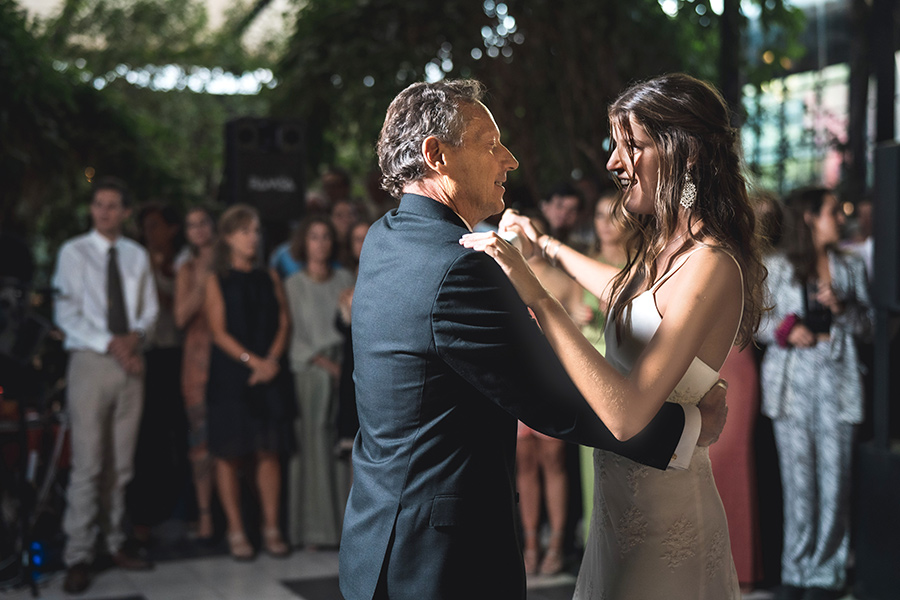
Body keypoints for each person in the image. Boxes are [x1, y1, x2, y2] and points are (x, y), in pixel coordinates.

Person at [339, 78, 728, 600]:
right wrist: (684, 427)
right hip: (439, 559)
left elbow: (630, 295)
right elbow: (552, 401)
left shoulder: (386, 236)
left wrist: (546, 248)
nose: (511, 159)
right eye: (490, 144)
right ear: (437, 156)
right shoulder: (460, 266)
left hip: (378, 532)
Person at [462, 73, 767, 599]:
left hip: (667, 525)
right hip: (616, 512)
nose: (612, 162)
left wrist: (536, 291)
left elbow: (625, 416)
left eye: (632, 145)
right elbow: (622, 296)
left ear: (686, 154)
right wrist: (547, 246)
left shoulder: (711, 264)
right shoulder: (663, 250)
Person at [757, 187, 871, 600]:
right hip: (791, 382)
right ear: (809, 217)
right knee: (798, 481)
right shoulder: (775, 265)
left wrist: (844, 309)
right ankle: (796, 571)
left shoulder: (851, 266)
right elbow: (754, 322)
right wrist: (786, 331)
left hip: (838, 377)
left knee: (835, 478)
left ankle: (826, 573)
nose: (840, 219)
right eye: (832, 212)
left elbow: (871, 328)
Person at [52, 177, 159, 594]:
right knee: (88, 464)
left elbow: (149, 312)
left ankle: (114, 542)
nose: (104, 211)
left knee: (121, 464)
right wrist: (112, 344)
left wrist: (134, 340)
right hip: (91, 362)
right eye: (98, 204)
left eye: (113, 205)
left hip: (131, 363)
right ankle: (78, 553)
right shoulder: (73, 252)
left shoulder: (136, 255)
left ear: (126, 212)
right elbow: (66, 315)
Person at [204, 204, 293, 561]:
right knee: (229, 454)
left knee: (268, 451)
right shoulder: (216, 279)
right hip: (231, 375)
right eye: (244, 231)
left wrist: (270, 361)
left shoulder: (270, 275)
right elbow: (218, 332)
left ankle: (271, 528)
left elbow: (284, 322)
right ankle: (236, 530)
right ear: (227, 237)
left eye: (255, 230)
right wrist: (252, 362)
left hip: (269, 372)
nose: (252, 237)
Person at [283, 215, 355, 549]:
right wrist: (327, 365)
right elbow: (295, 335)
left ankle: (344, 530)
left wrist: (343, 368)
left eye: (326, 236)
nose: (321, 243)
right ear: (304, 242)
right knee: (312, 450)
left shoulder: (345, 278)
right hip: (310, 375)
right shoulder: (293, 284)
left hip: (345, 372)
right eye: (314, 236)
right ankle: (314, 531)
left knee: (343, 453)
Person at [128, 202, 189, 545]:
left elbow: (177, 309)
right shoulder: (135, 260)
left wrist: (159, 274)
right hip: (148, 356)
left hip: (178, 355)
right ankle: (145, 514)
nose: (148, 232)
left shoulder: (183, 261)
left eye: (154, 225)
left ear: (172, 229)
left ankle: (183, 511)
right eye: (145, 226)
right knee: (149, 435)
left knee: (179, 432)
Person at [577, 188, 629, 543]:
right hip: (590, 368)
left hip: (628, 368)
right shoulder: (582, 262)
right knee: (592, 461)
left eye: (613, 215)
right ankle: (596, 545)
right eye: (598, 215)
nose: (605, 224)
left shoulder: (643, 264)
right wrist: (576, 315)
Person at [173, 206, 217, 541]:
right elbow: (180, 318)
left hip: (229, 359)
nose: (198, 229)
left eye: (203, 223)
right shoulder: (186, 269)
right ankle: (205, 516)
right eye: (191, 225)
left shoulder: (230, 262)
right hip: (197, 363)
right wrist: (202, 281)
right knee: (200, 442)